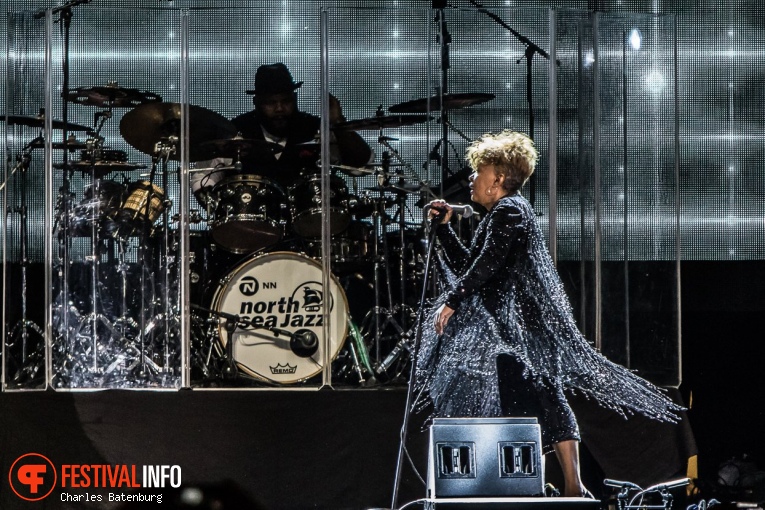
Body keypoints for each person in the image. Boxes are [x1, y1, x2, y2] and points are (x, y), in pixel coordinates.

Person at [415, 129, 684, 498]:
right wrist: (445, 233)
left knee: (542, 398)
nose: (472, 180)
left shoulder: (510, 210)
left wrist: (453, 300)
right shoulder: (500, 216)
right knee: (532, 400)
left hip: (526, 330)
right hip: (514, 333)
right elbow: (473, 268)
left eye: (478, 172)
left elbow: (487, 266)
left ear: (497, 178)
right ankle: (552, 484)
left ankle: (570, 485)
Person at [191, 62, 372, 206]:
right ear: (256, 102)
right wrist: (216, 209)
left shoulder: (315, 128)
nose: (279, 109)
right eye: (270, 102)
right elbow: (202, 178)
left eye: (286, 101)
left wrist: (339, 124)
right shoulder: (233, 130)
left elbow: (362, 166)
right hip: (250, 235)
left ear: (294, 99)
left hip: (309, 235)